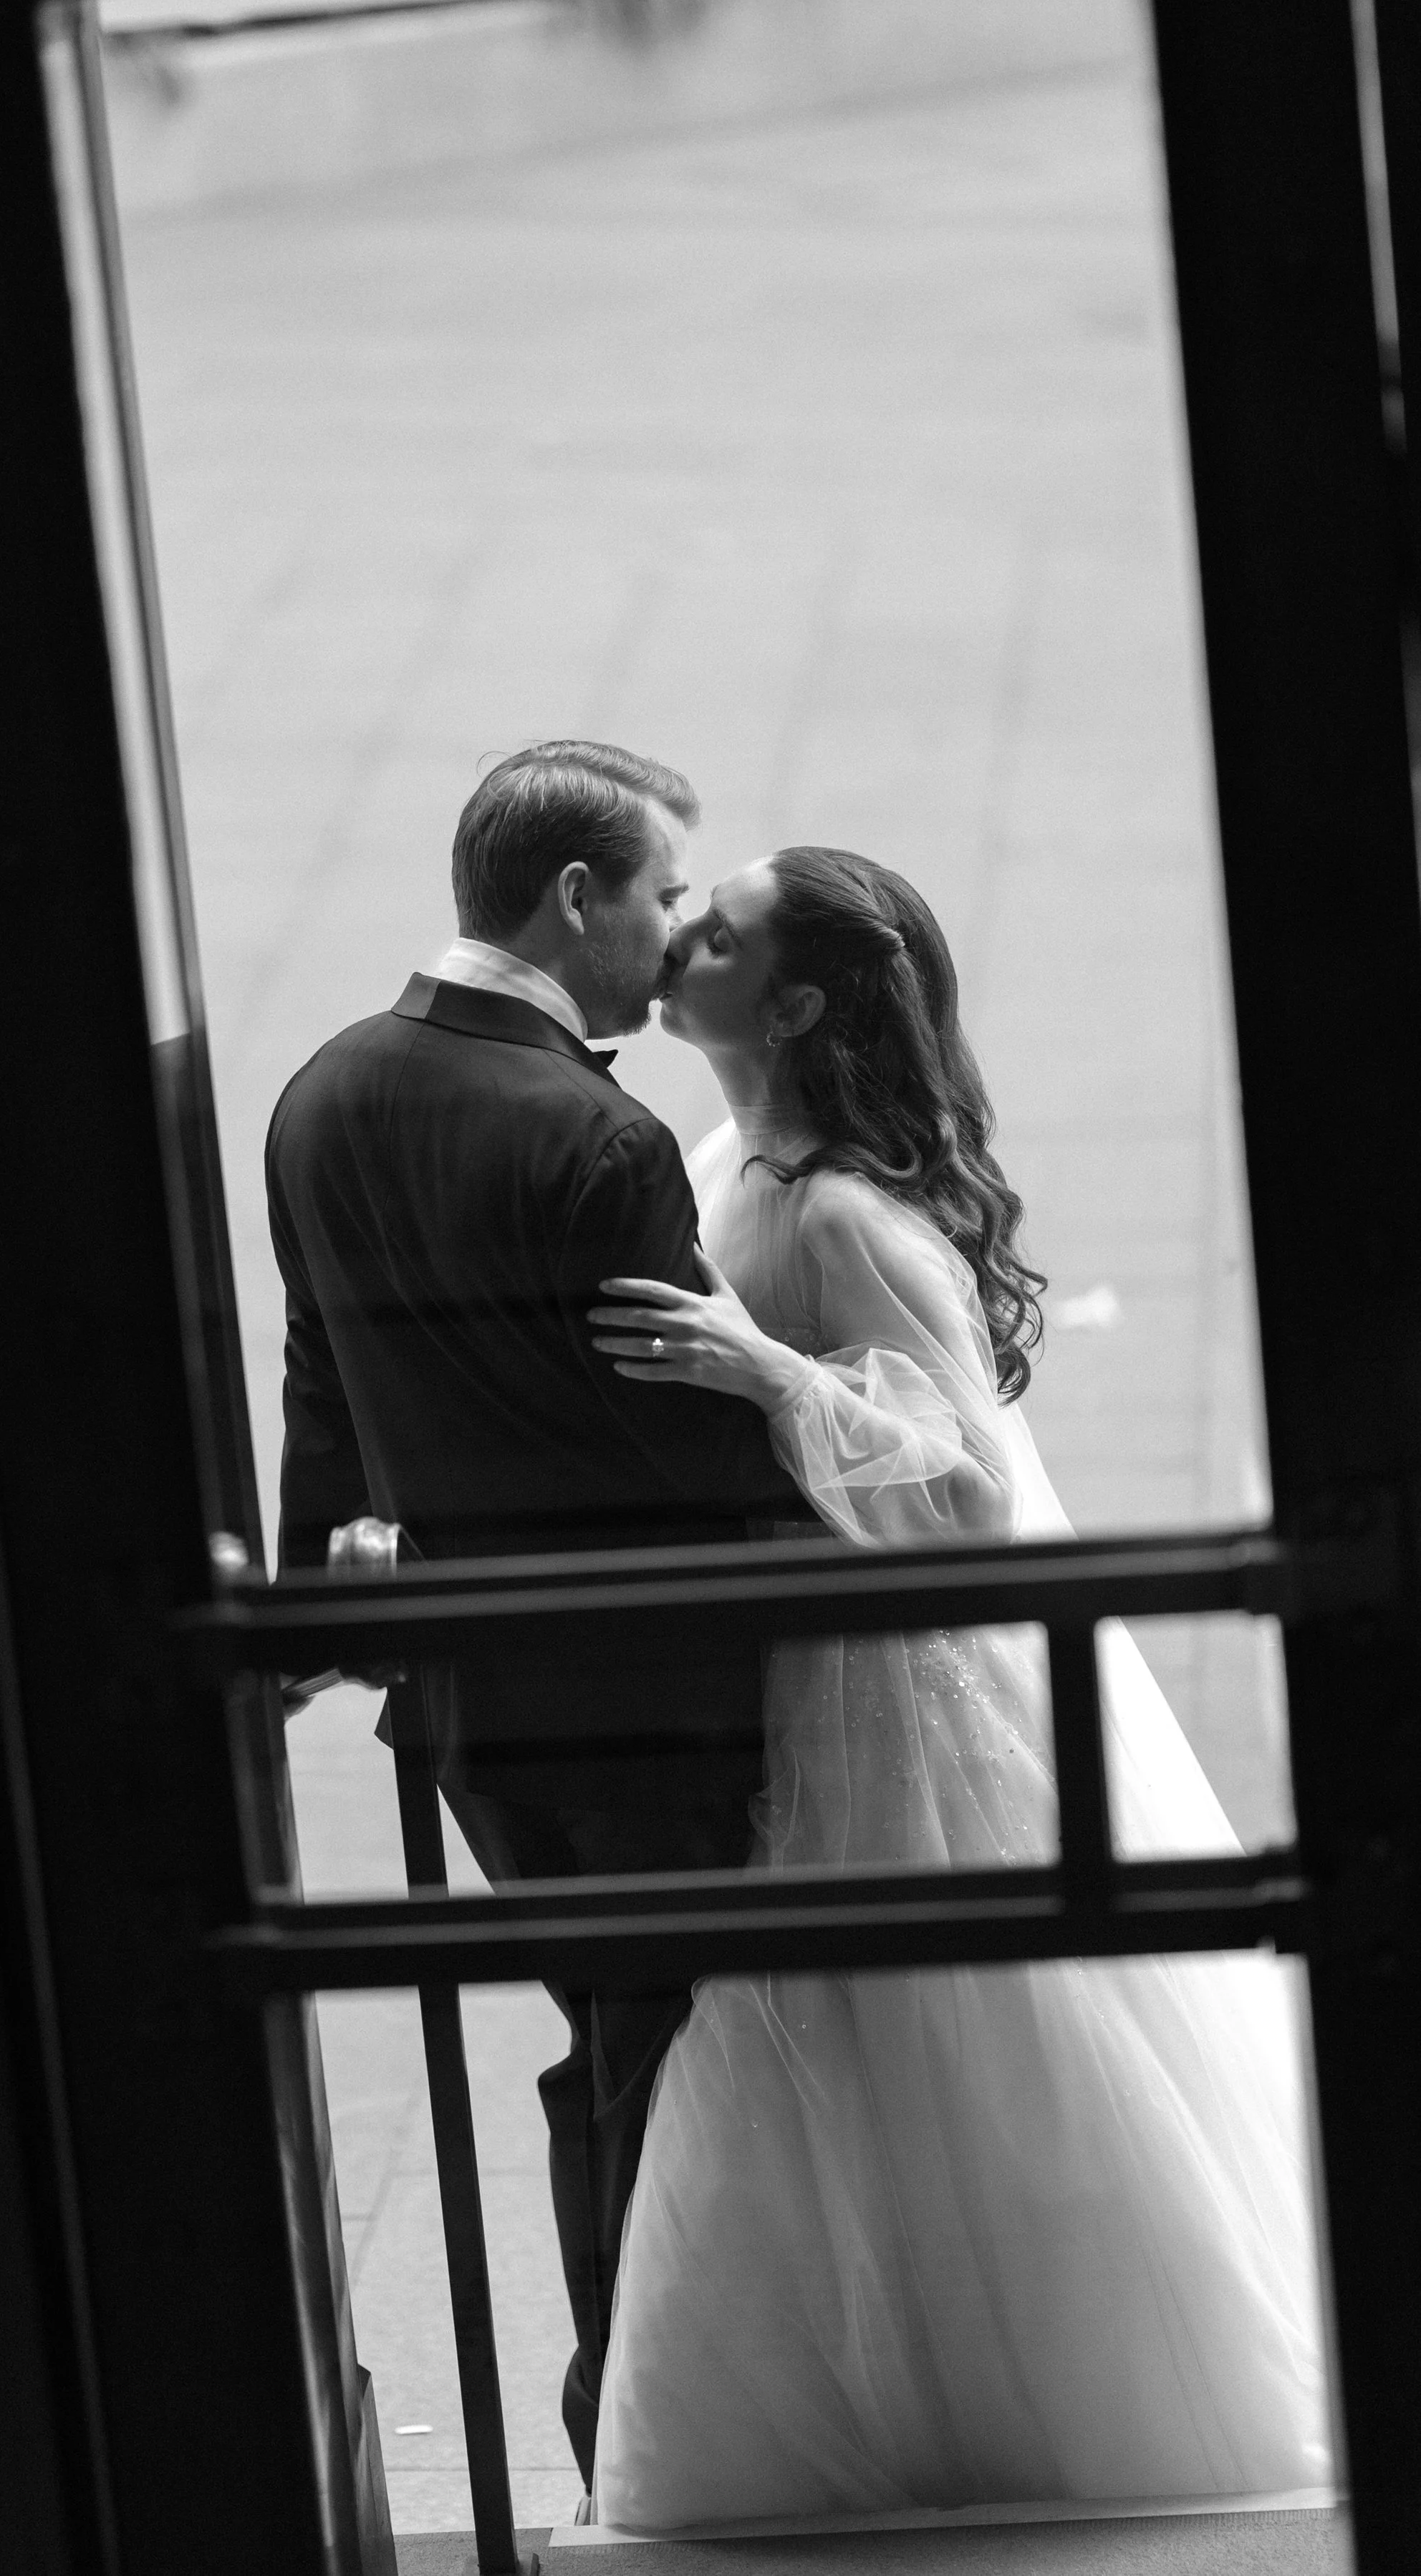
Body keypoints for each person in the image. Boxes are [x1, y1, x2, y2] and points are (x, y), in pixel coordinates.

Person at [584, 845, 1332, 2530]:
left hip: (891, 1700)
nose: (672, 928)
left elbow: (966, 1488)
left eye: (712, 927)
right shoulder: (735, 1156)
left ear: (781, 1003)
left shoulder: (836, 1211)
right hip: (810, 1668)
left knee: (943, 2041)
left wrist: (772, 1377)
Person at [264, 742, 796, 2488]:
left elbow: (319, 1386)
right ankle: (638, 2426)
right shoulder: (597, 1131)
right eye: (654, 899)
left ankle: (636, 2414)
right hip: (650, 1693)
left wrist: (309, 1605)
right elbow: (680, 1424)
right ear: (574, 897)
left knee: (614, 2037)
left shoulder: (322, 1089)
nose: (665, 938)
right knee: (662, 2057)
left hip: (472, 1698)